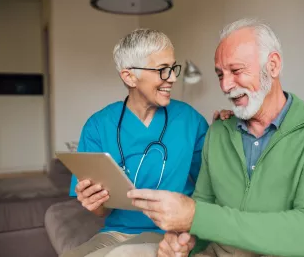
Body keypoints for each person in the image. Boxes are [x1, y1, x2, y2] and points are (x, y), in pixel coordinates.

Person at [127, 18, 304, 257]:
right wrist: (184, 241)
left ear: (272, 66)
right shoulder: (219, 132)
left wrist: (196, 216)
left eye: (236, 71)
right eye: (220, 74)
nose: (225, 85)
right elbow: (203, 209)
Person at [61, 28, 212, 257]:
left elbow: (213, 186)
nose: (172, 78)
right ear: (129, 76)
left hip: (170, 234)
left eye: (172, 68)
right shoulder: (98, 126)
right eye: (162, 70)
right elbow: (102, 211)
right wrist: (93, 202)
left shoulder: (190, 120)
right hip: (116, 232)